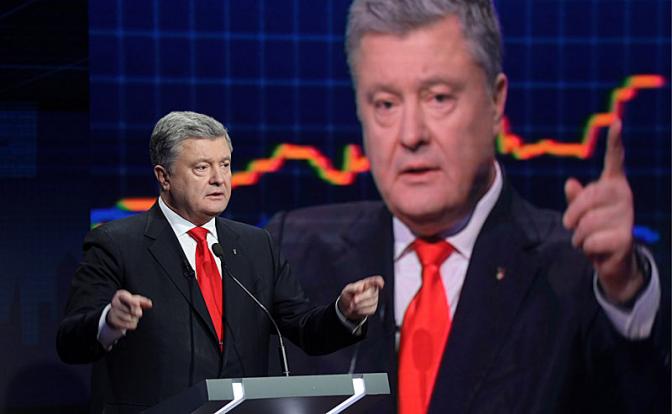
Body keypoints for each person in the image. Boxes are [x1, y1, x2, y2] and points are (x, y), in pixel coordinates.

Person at [266, 1, 670, 413]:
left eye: (438, 98)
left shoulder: (578, 270)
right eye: (386, 104)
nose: (411, 135)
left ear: (496, 101)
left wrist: (625, 289)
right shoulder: (292, 253)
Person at [56, 111, 384, 413]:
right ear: (164, 177)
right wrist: (110, 323)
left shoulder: (257, 245)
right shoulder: (117, 243)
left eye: (225, 165)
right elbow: (70, 342)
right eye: (202, 167)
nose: (219, 179)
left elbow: (304, 329)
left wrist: (345, 313)